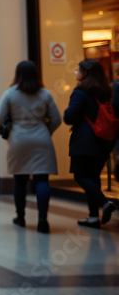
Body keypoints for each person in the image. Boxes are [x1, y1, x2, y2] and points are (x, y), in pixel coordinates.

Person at [0, 61, 61, 233]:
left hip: (18, 140)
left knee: (20, 181)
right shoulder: (45, 94)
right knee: (42, 180)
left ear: (18, 74)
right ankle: (43, 219)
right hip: (42, 139)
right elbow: (57, 119)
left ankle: (21, 217)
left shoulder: (10, 94)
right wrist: (46, 131)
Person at [63, 59, 119, 229]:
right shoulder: (105, 92)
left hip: (84, 142)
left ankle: (104, 203)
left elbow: (69, 117)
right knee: (93, 178)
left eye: (78, 70)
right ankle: (93, 217)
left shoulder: (80, 92)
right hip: (102, 142)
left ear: (85, 73)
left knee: (80, 176)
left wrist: (68, 110)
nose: (75, 73)